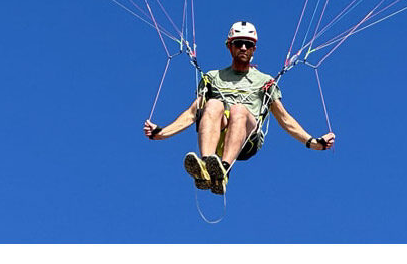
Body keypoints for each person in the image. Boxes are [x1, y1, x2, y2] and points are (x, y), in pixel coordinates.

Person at [142, 21, 335, 195]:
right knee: (213, 104)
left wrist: (311, 141)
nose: (243, 47)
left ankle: (223, 170)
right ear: (229, 46)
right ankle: (207, 166)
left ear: (254, 49)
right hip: (219, 130)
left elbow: (284, 118)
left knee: (238, 110)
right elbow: (193, 113)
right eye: (239, 43)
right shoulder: (213, 77)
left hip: (247, 139)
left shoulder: (265, 81)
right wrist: (162, 133)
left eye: (248, 44)